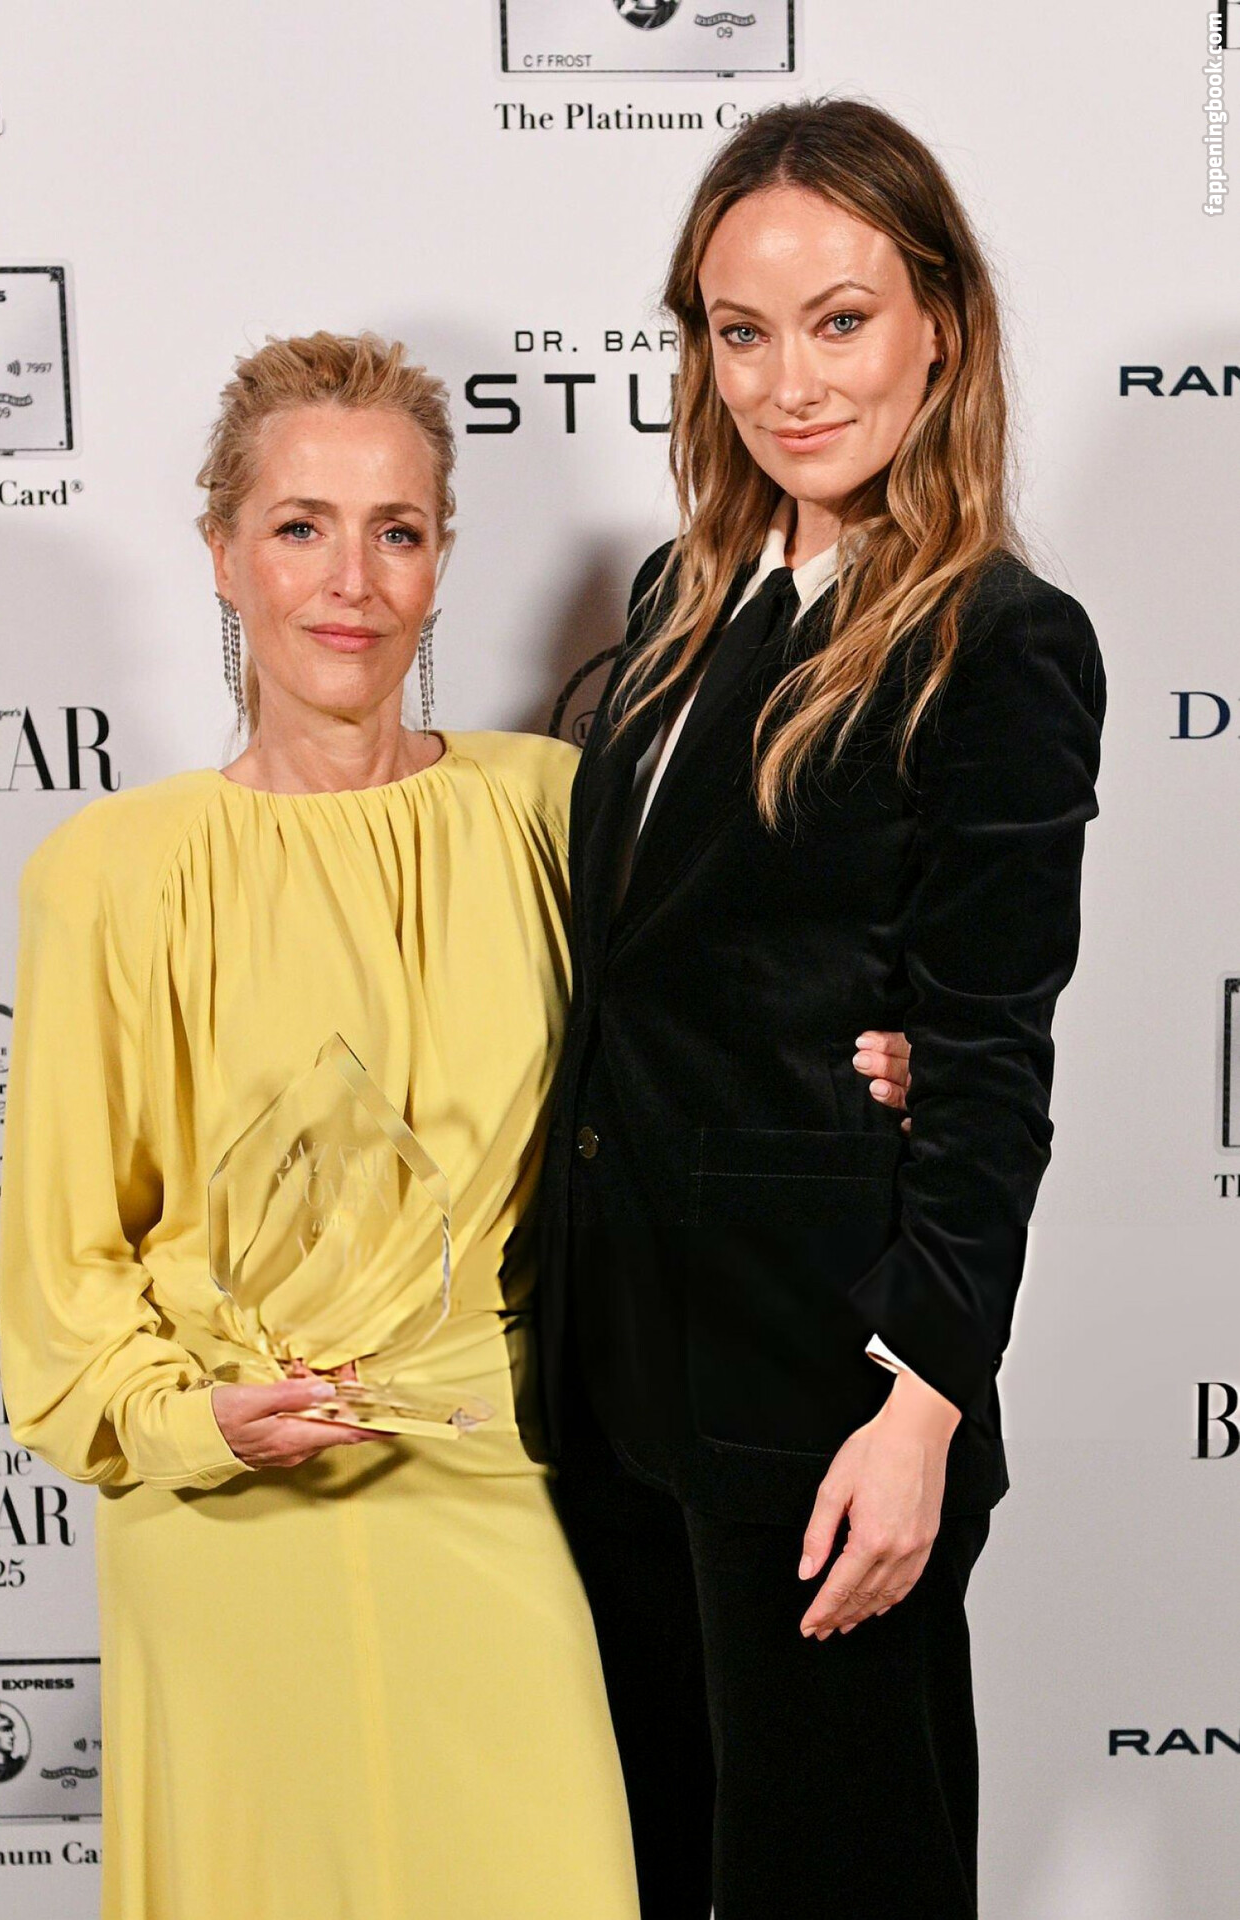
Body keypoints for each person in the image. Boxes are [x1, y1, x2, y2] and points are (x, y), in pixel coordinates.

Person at [541, 98, 1106, 1919]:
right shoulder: (678, 602)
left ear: (941, 324)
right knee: (652, 1866)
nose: (791, 384)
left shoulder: (996, 642)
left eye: (841, 320)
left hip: (822, 1393)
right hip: (618, 1372)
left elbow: (991, 1063)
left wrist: (923, 1402)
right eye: (743, 331)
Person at [0, 331, 642, 1920]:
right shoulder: (111, 874)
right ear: (223, 553)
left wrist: (885, 1052)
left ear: (440, 562)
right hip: (225, 1523)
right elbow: (66, 1260)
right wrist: (188, 1423)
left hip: (495, 1479)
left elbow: (718, 1054)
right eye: (301, 526)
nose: (351, 581)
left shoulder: (549, 813)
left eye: (396, 530)